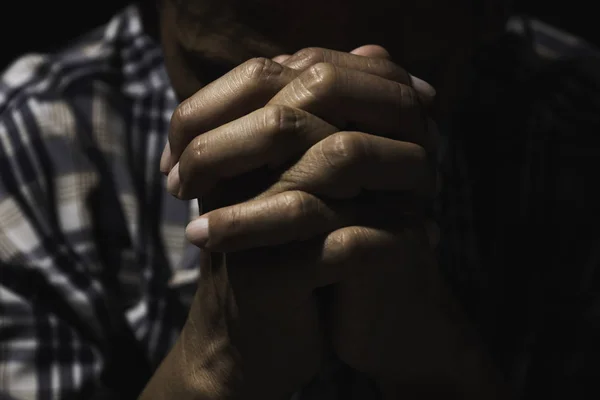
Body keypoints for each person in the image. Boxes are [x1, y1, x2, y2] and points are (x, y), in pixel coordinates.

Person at [1, 0, 599, 399]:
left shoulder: (575, 127)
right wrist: (215, 363)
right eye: (220, 73)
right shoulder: (36, 139)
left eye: (399, 78)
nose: (317, 137)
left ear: (484, 17)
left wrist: (431, 359)